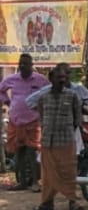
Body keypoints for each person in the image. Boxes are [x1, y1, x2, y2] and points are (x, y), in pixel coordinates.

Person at [30, 64, 83, 210]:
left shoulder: (72, 96)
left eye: (64, 78)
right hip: (48, 141)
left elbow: (77, 119)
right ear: (51, 79)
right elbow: (41, 116)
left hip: (66, 141)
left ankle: (73, 201)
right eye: (59, 78)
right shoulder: (43, 98)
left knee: (68, 172)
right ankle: (47, 203)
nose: (62, 80)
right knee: (47, 175)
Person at [0, 53, 49, 190]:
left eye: (25, 63)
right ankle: (21, 182)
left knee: (32, 151)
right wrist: (7, 102)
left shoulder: (40, 80)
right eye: (20, 63)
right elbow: (1, 90)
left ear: (31, 65)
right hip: (15, 121)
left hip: (33, 121)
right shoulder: (12, 79)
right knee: (18, 151)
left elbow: (49, 92)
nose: (22, 66)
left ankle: (35, 182)